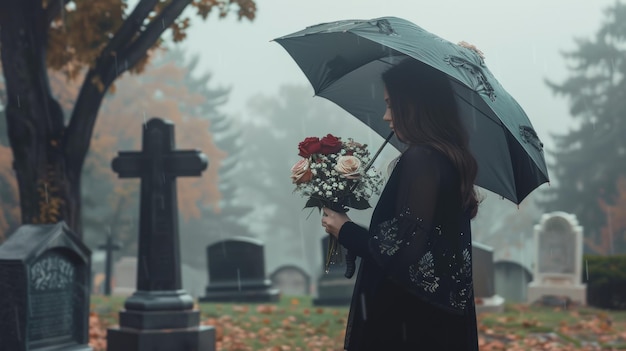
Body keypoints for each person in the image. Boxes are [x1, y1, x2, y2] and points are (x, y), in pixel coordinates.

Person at [321, 58, 480, 351]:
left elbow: (401, 249)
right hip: (435, 319)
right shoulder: (447, 158)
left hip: (408, 323)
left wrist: (344, 230)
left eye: (392, 105)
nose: (385, 116)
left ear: (415, 107)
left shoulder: (423, 160)